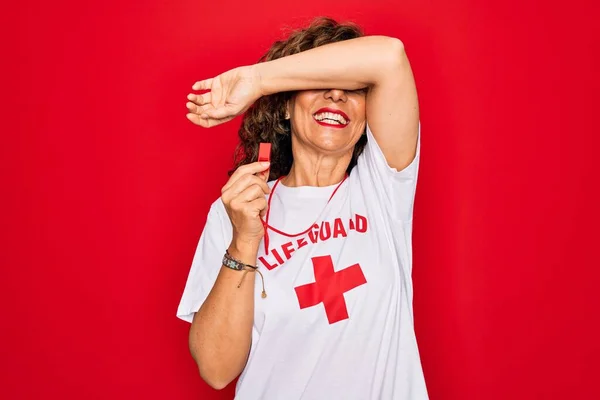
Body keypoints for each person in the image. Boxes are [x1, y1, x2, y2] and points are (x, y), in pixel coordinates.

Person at [177, 16, 428, 399]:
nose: (336, 96)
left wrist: (257, 80)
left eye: (352, 88)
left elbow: (390, 56)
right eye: (316, 85)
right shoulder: (236, 209)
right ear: (286, 108)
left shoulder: (382, 187)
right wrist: (245, 240)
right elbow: (215, 369)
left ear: (367, 117)